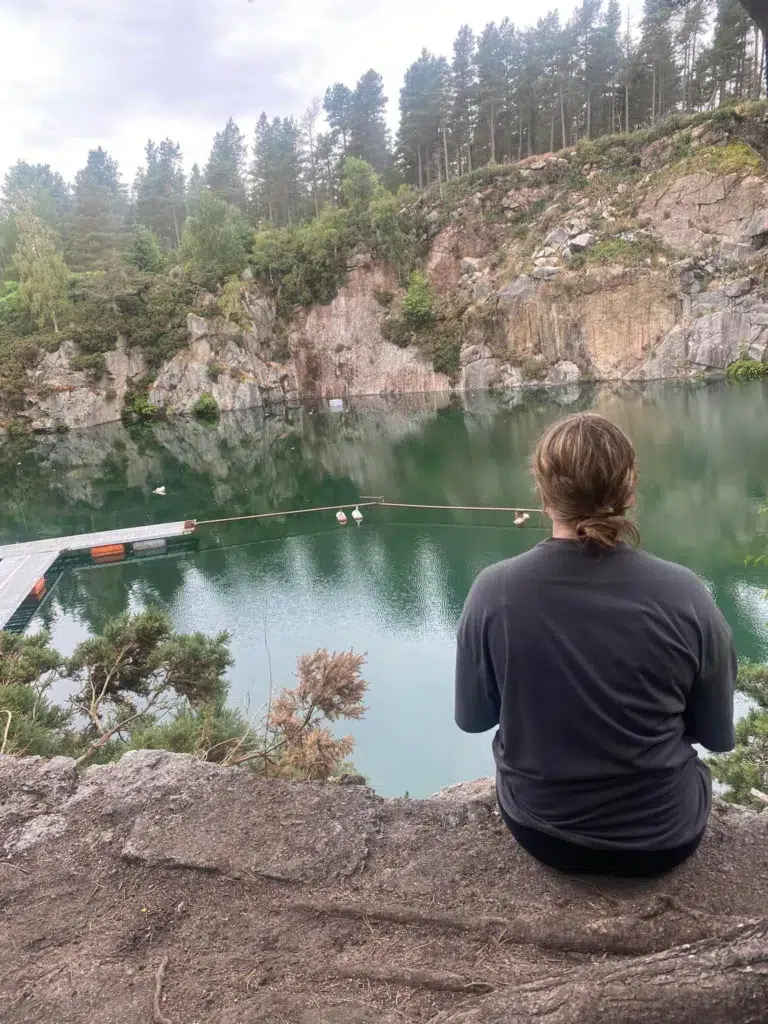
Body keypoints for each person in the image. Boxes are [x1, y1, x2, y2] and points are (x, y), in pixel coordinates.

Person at [455, 412, 736, 877]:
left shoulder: (494, 591)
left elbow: (474, 720)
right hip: (665, 838)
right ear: (628, 491)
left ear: (544, 495)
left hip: (542, 833)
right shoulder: (686, 593)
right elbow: (716, 735)